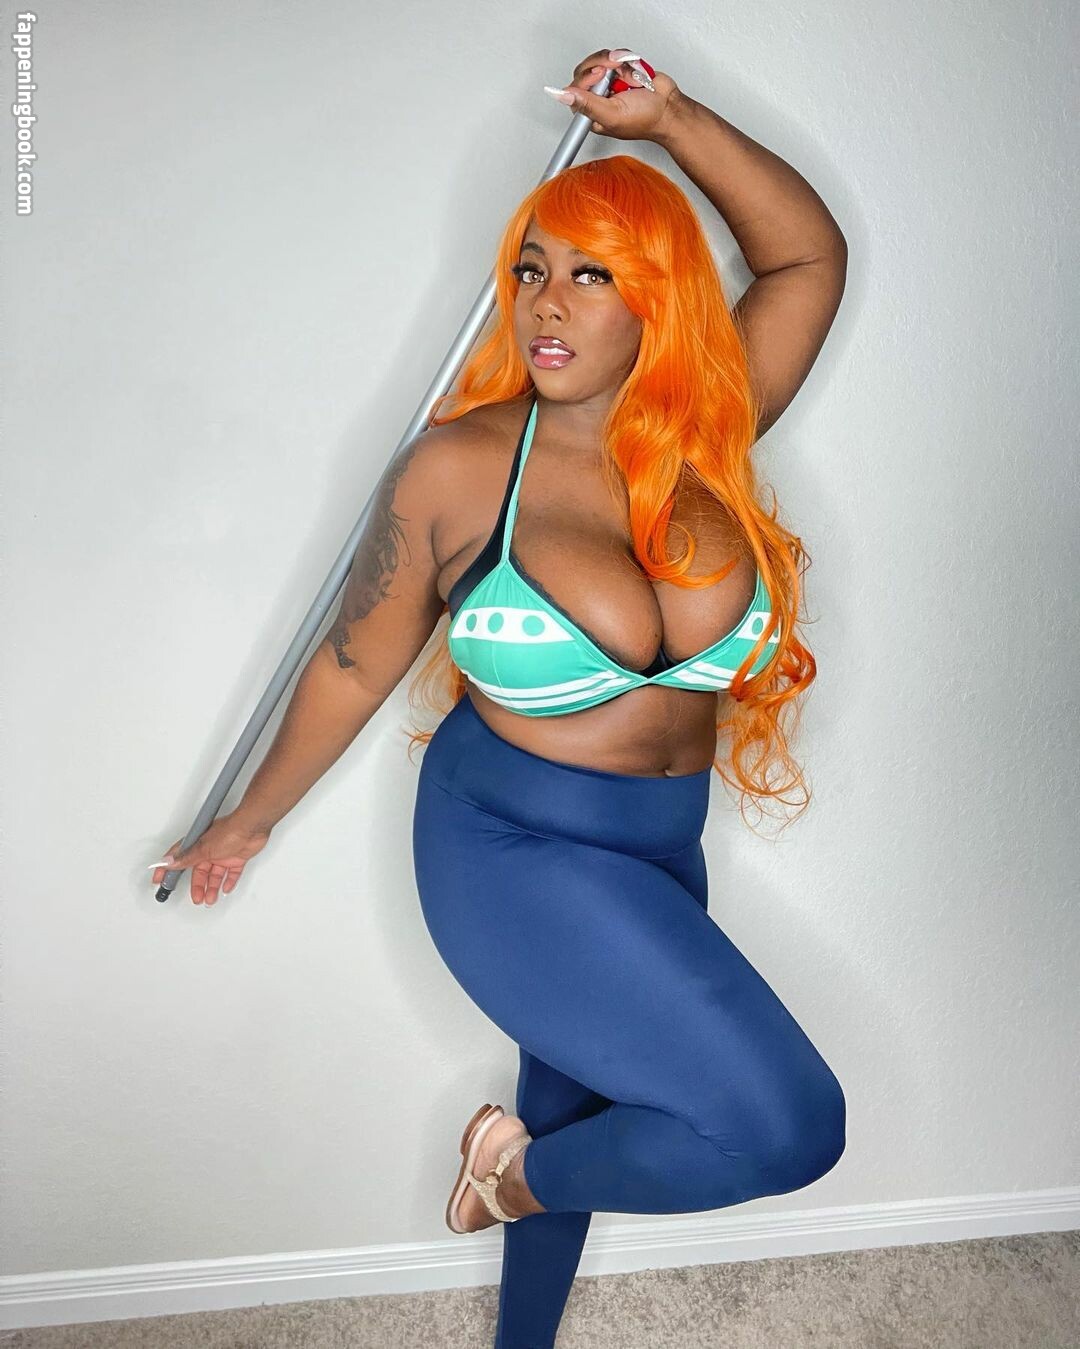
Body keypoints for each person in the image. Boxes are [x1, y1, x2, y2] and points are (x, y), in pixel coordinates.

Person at [151, 48, 849, 1349]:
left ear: (658, 299)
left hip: (659, 848)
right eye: (531, 269)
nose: (547, 303)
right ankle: (514, 1178)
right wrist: (247, 821)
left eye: (593, 274)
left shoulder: (709, 428)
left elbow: (807, 255)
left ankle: (520, 1256)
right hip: (507, 847)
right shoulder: (461, 468)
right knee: (787, 1125)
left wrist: (671, 119)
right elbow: (354, 662)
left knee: (577, 1106)